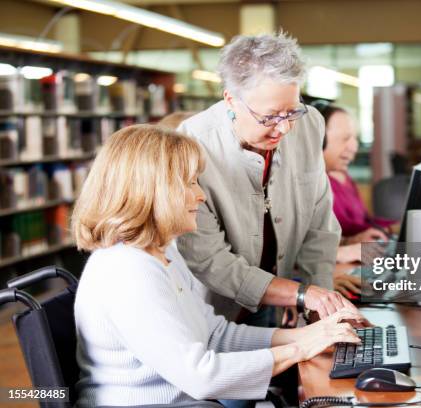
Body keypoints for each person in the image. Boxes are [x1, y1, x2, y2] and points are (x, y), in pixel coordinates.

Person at [71, 124, 363, 407]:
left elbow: (216, 335)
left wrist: (312, 334)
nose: (201, 195)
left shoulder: (162, 255)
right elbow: (201, 376)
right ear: (150, 190)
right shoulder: (126, 271)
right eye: (189, 183)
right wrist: (299, 349)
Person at [176, 32, 359, 326]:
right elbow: (210, 261)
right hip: (216, 315)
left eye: (292, 111)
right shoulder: (190, 145)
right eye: (270, 117)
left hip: (284, 296)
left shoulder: (310, 123)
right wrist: (299, 294)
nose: (285, 128)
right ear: (231, 100)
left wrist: (320, 304)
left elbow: (319, 222)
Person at [313, 102, 398, 298]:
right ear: (317, 140)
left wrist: (352, 241)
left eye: (354, 138)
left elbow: (356, 226)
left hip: (351, 261)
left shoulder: (343, 176)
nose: (354, 146)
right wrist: (346, 249)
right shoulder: (305, 186)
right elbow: (297, 249)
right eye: (345, 139)